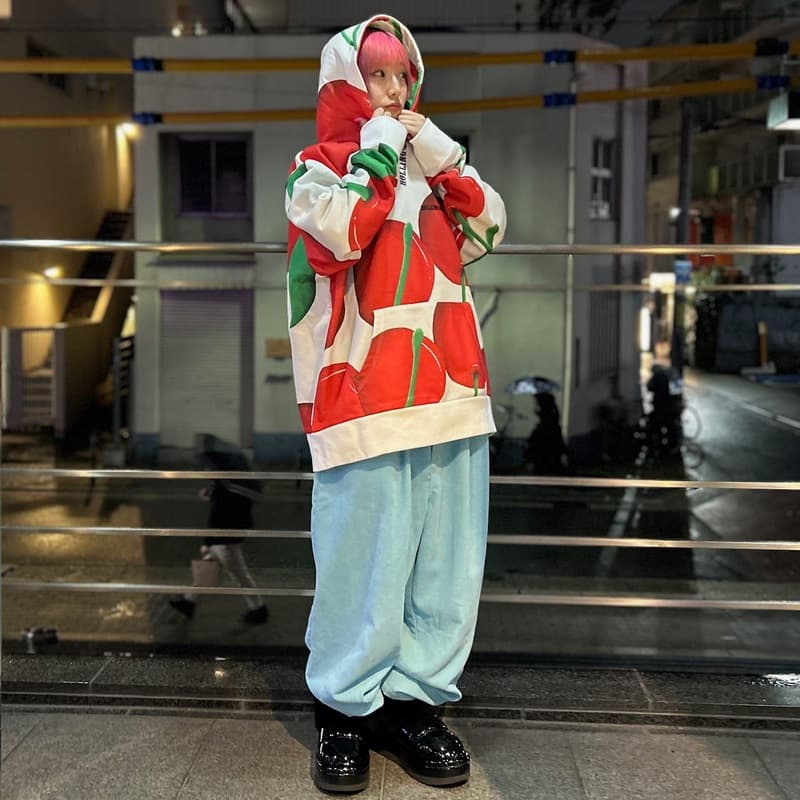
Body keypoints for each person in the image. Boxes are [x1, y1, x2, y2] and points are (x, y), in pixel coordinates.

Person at [284, 15, 506, 793]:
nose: (392, 90)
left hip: (453, 389)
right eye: (377, 74)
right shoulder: (317, 169)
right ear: (345, 82)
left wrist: (438, 152)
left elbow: (489, 227)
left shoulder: (429, 167)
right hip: (361, 399)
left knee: (445, 567)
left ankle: (414, 705)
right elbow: (341, 235)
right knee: (359, 565)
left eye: (402, 75)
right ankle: (342, 710)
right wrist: (378, 150)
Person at [169, 450, 268, 625]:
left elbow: (218, 518)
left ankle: (259, 609)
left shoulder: (225, 490)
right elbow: (231, 504)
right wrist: (212, 494)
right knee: (208, 568)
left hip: (225, 539)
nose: (206, 471)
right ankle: (189, 602)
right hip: (232, 534)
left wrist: (207, 542)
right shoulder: (234, 486)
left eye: (208, 468)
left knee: (240, 575)